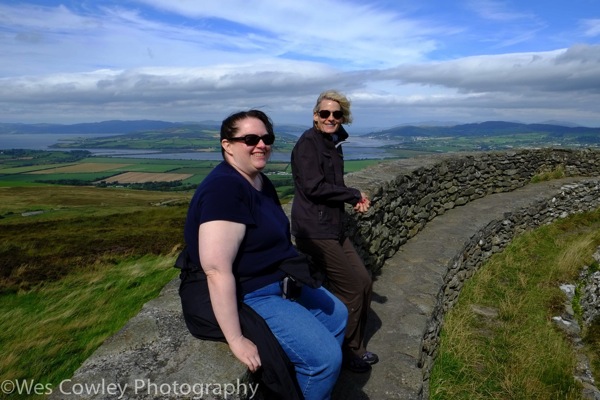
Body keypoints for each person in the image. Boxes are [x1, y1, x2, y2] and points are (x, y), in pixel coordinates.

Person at [178, 109, 347, 400]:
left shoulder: (258, 181)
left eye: (266, 137)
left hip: (280, 279)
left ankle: (312, 383)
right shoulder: (225, 190)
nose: (261, 144)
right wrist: (236, 339)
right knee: (325, 360)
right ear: (227, 145)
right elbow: (216, 270)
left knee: (338, 316)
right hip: (254, 292)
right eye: (250, 139)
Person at [290, 90, 378, 373]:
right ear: (315, 116)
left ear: (343, 118)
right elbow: (313, 187)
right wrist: (353, 195)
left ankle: (353, 345)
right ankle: (345, 351)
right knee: (351, 288)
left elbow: (331, 186)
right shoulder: (308, 144)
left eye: (336, 114)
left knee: (363, 282)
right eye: (325, 113)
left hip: (333, 226)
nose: (330, 118)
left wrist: (351, 196)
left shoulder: (331, 143)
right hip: (314, 229)